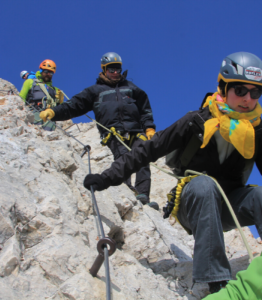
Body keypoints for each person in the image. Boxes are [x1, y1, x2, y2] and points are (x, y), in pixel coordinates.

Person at [83, 52, 262, 294]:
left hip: (230, 204)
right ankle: (217, 284)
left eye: (256, 92)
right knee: (204, 185)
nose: (248, 99)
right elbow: (147, 150)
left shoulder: (256, 132)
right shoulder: (196, 122)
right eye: (240, 90)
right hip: (193, 203)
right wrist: (106, 178)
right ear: (222, 86)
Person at [39, 52, 157, 208]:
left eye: (117, 69)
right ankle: (128, 193)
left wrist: (149, 128)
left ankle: (143, 196)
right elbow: (74, 105)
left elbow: (145, 109)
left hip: (135, 130)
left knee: (143, 157)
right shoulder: (95, 91)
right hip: (113, 133)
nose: (115, 73)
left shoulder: (131, 87)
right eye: (111, 69)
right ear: (104, 70)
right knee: (123, 158)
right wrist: (54, 112)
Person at [19, 60, 64, 131]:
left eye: (51, 73)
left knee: (49, 134)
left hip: (49, 118)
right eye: (46, 71)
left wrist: (60, 101)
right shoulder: (30, 82)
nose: (48, 74)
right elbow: (21, 98)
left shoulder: (55, 90)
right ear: (41, 70)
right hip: (33, 113)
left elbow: (59, 109)